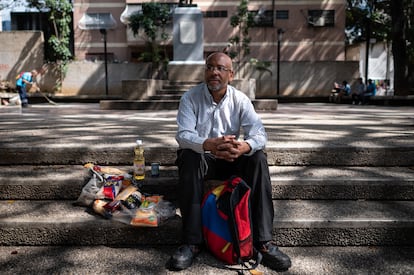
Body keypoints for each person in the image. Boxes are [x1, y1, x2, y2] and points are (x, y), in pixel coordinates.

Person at [168, 52, 292, 272]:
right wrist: (208, 144)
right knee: (189, 156)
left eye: (220, 68)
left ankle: (263, 242)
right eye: (210, 67)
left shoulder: (240, 99)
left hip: (233, 160)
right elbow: (183, 135)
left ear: (231, 75)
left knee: (258, 157)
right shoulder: (190, 97)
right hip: (204, 158)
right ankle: (192, 242)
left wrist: (244, 146)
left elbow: (260, 134)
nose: (214, 72)